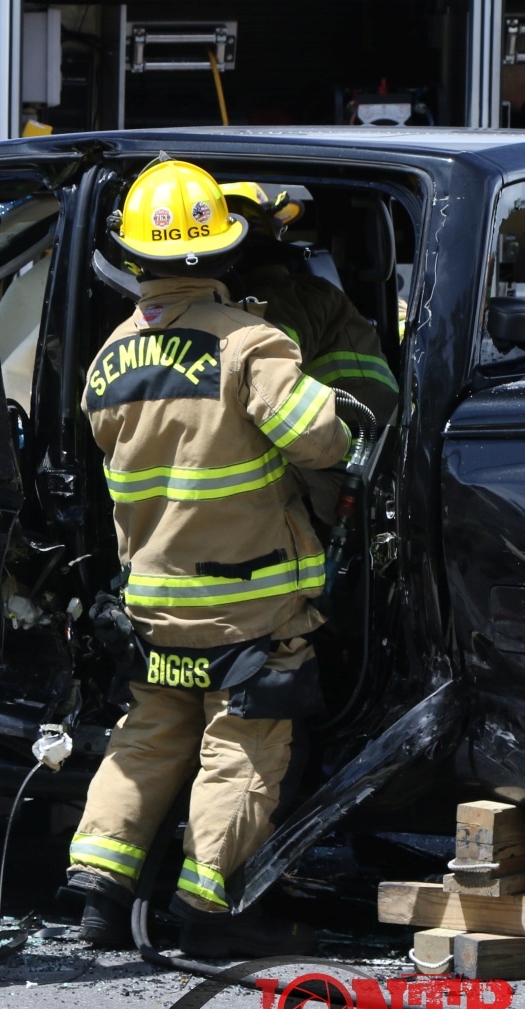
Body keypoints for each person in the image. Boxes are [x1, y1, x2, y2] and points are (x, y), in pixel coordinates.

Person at [65, 157, 350, 959]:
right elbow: (320, 438)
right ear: (225, 251)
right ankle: (211, 906)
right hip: (251, 601)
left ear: (132, 256)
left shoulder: (108, 357)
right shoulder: (250, 342)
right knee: (243, 744)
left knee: (150, 733)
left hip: (155, 599)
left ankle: (100, 887)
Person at [221, 182, 399, 522]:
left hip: (346, 459)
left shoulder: (279, 298)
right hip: (347, 450)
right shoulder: (289, 295)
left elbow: (261, 371)